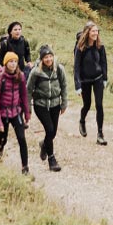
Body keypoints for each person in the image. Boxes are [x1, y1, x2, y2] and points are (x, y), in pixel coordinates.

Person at [27, 44, 67, 172]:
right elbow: (28, 90)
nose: (48, 59)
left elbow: (64, 86)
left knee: (53, 132)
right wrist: (28, 107)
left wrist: (64, 103)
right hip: (41, 104)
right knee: (49, 130)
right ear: (42, 59)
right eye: (46, 57)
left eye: (50, 56)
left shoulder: (59, 69)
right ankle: (52, 159)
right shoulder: (36, 71)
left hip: (55, 104)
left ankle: (44, 144)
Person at [0, 51, 31, 174]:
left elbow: (24, 96)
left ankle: (25, 167)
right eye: (10, 62)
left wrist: (27, 112)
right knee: (3, 140)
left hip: (16, 112)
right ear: (5, 63)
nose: (13, 64)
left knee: (22, 139)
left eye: (15, 61)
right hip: (3, 114)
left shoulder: (21, 76)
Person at [73, 21, 108, 145]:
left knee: (99, 105)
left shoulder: (100, 46)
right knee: (87, 105)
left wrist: (105, 78)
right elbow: (76, 67)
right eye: (93, 31)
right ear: (87, 32)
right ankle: (82, 120)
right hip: (85, 80)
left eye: (97, 31)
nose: (95, 33)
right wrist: (77, 85)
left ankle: (100, 134)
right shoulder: (80, 47)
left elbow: (104, 62)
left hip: (98, 78)